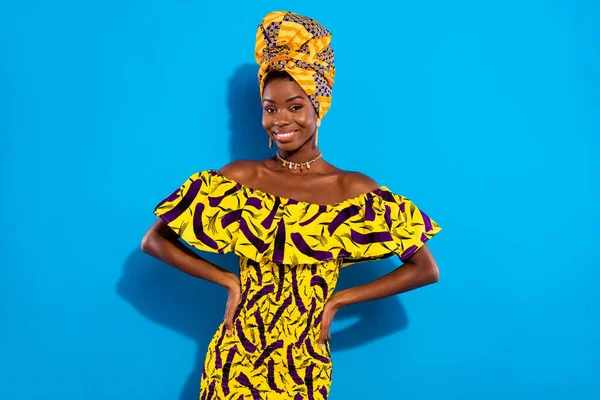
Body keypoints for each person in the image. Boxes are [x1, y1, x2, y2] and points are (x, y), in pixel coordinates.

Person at [141, 10, 442, 400]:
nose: (280, 120)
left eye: (295, 106)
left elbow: (425, 269)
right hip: (235, 359)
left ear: (318, 106)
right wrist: (229, 280)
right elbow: (154, 241)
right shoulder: (240, 179)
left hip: (304, 364)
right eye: (270, 108)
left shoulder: (353, 189)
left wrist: (339, 300)